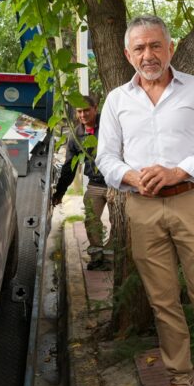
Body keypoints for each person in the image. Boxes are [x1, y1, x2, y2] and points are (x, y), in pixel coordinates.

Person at [96, 14, 194, 386]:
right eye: (139, 48)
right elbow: (106, 156)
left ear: (170, 48)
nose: (148, 55)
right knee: (163, 302)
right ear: (128, 54)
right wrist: (130, 175)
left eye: (155, 45)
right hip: (142, 207)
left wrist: (178, 171)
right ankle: (181, 385)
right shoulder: (116, 100)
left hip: (190, 201)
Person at [53, 95, 110, 270]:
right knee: (91, 220)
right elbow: (69, 168)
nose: (83, 115)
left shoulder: (109, 126)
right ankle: (97, 258)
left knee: (119, 221)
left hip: (116, 184)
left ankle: (112, 256)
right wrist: (60, 192)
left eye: (86, 110)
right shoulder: (76, 135)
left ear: (95, 108)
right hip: (95, 184)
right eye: (79, 111)